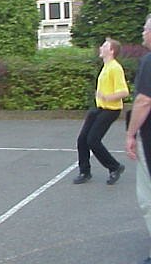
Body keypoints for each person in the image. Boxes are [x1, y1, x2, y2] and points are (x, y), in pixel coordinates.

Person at [73, 38, 128, 185]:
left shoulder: (115, 68)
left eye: (104, 46)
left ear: (111, 51)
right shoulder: (106, 66)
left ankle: (115, 167)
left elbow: (124, 92)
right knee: (82, 139)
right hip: (99, 108)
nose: (101, 48)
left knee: (93, 140)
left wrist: (107, 97)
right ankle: (84, 172)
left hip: (111, 109)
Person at [126, 15, 151, 264]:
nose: (142, 33)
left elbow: (144, 101)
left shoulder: (149, 62)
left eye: (145, 29)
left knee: (148, 197)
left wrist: (130, 133)